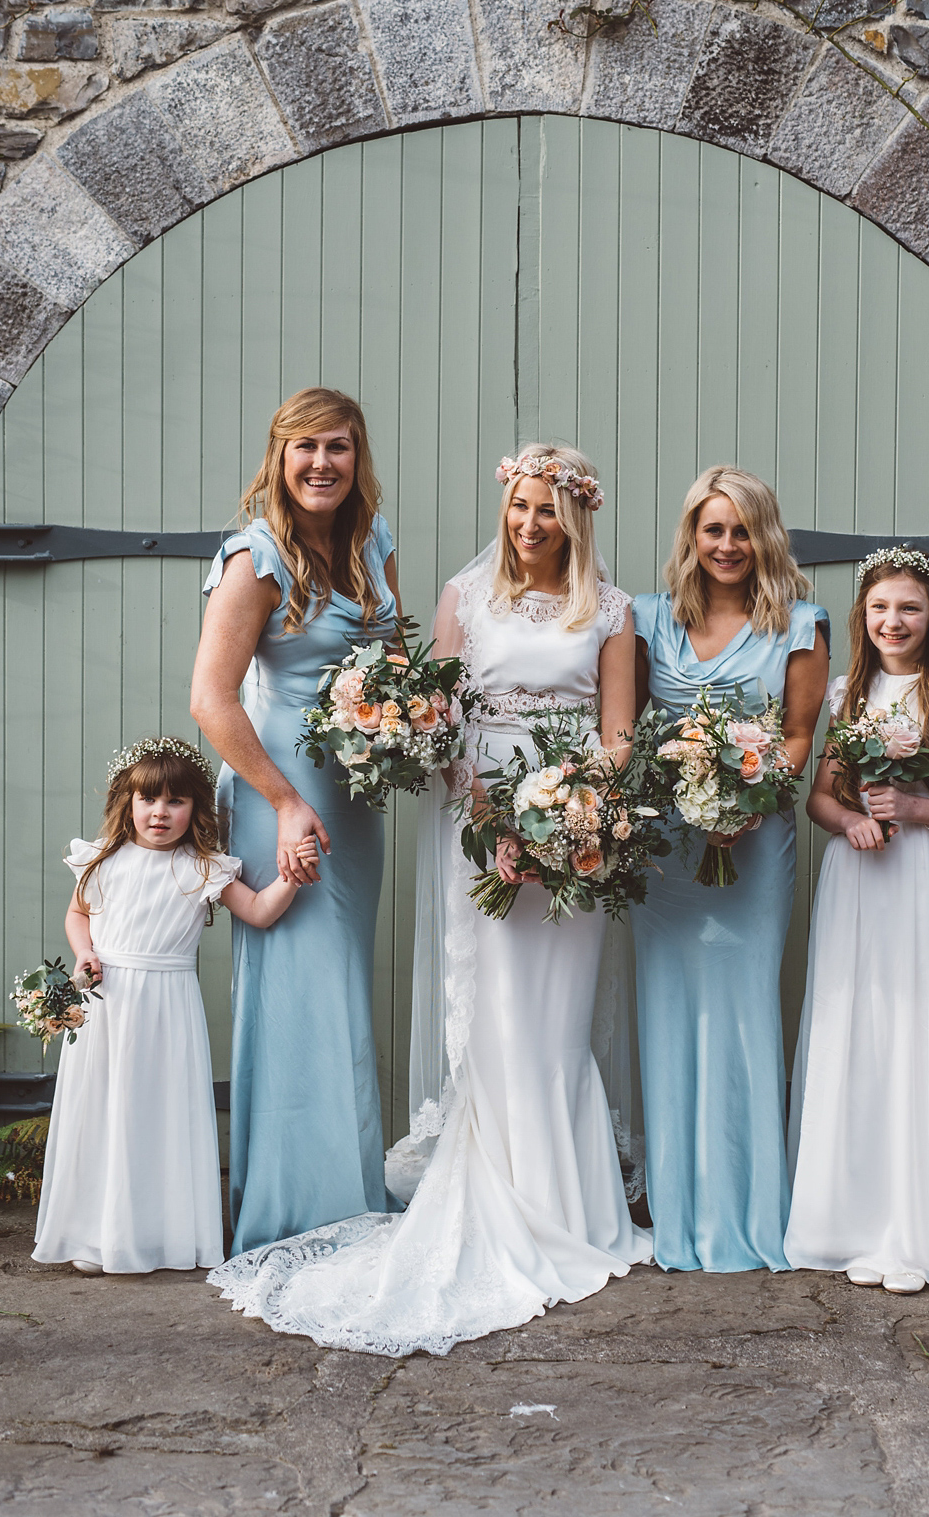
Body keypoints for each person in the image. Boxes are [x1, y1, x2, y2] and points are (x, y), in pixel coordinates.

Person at [209, 445, 652, 1355]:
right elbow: (439, 715)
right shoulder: (461, 595)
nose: (531, 525)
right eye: (521, 507)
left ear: (577, 521)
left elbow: (619, 734)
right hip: (479, 815)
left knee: (557, 1012)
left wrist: (572, 809)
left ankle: (562, 1199)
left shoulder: (612, 610)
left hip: (571, 818)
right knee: (485, 1001)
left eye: (549, 513)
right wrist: (494, 814)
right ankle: (492, 1185)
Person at [190, 387, 402, 1255]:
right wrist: (282, 803)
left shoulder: (373, 543)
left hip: (354, 798)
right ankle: (294, 1207)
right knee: (296, 993)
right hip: (283, 794)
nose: (322, 463)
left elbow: (394, 660)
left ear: (359, 458)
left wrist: (409, 721)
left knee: (343, 987)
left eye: (340, 447)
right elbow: (209, 698)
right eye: (304, 447)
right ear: (278, 457)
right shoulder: (256, 558)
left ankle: (349, 1191)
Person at [785, 548, 929, 1299]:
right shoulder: (849, 692)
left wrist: (919, 810)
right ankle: (853, 1221)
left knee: (923, 1036)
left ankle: (922, 1229)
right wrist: (849, 821)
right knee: (862, 1034)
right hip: (860, 882)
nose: (893, 621)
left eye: (908, 608)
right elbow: (820, 798)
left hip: (927, 880)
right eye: (881, 608)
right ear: (863, 616)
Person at [632, 467, 829, 1273]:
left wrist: (752, 802)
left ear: (764, 537)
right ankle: (678, 1209)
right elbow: (626, 727)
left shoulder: (802, 625)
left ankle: (750, 1213)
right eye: (712, 529)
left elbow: (796, 737)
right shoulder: (648, 620)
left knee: (745, 1012)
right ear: (692, 536)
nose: (726, 545)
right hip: (668, 852)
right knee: (669, 1014)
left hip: (754, 841)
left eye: (742, 530)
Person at [33, 736, 312, 1276]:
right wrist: (85, 953)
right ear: (128, 802)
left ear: (196, 808)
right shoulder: (103, 860)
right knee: (104, 1109)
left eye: (176, 801)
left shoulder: (204, 867)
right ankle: (96, 1233)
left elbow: (258, 912)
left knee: (156, 1113)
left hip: (167, 1007)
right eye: (148, 800)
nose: (160, 812)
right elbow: (77, 914)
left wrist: (290, 876)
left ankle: (159, 1234)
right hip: (108, 1000)